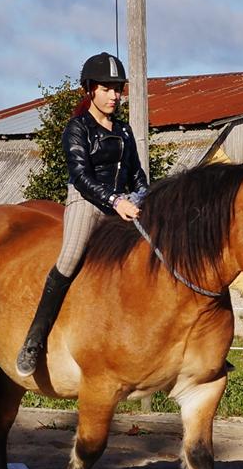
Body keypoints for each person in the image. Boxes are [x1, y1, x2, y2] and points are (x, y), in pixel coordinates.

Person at [16, 51, 149, 376]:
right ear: (90, 90)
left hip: (122, 206)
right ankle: (34, 340)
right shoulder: (77, 128)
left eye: (117, 89)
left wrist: (141, 196)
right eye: (106, 89)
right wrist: (115, 201)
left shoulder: (125, 131)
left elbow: (137, 174)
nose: (114, 96)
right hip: (87, 201)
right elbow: (81, 176)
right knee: (70, 258)